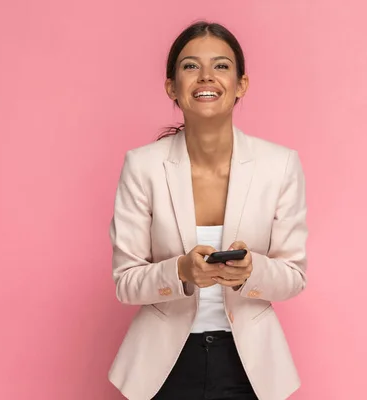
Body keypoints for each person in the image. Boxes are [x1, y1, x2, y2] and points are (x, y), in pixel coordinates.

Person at [108, 21, 308, 400]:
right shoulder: (143, 166)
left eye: (220, 65)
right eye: (189, 66)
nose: (206, 76)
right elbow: (125, 282)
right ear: (172, 86)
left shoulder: (280, 165)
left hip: (249, 365)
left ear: (241, 84)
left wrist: (250, 272)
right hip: (162, 367)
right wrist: (181, 271)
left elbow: (294, 275)